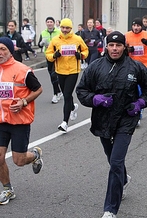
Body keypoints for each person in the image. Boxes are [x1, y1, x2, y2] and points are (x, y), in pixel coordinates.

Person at [76, 31, 147, 218]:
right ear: (106, 47)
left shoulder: (135, 67)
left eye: (118, 45)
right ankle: (123, 178)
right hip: (103, 119)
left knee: (115, 163)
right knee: (112, 158)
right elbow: (81, 91)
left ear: (124, 47)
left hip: (126, 120)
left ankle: (110, 209)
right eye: (111, 45)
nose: (114, 49)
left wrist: (139, 104)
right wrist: (95, 99)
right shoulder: (96, 67)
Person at [0, 37, 43, 205]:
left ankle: (35, 155)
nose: (0, 52)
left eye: (3, 49)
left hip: (19, 121)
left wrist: (24, 102)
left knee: (18, 161)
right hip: (1, 121)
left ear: (11, 51)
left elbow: (38, 89)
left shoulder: (23, 70)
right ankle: (7, 189)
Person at [45, 18, 89, 132]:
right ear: (60, 28)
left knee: (67, 95)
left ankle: (65, 122)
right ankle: (73, 107)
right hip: (60, 71)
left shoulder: (77, 39)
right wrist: (54, 55)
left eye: (67, 28)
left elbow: (85, 50)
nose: (65, 30)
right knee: (66, 94)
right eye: (63, 28)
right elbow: (48, 54)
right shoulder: (55, 40)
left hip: (73, 71)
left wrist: (81, 55)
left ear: (71, 29)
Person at [38, 16, 63, 104]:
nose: (49, 23)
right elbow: (39, 45)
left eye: (51, 22)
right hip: (48, 56)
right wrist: (42, 43)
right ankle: (58, 91)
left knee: (54, 75)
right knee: (52, 76)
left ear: (53, 23)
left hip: (58, 56)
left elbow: (63, 42)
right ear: (46, 23)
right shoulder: (43, 33)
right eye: (48, 22)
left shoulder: (59, 32)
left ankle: (55, 94)